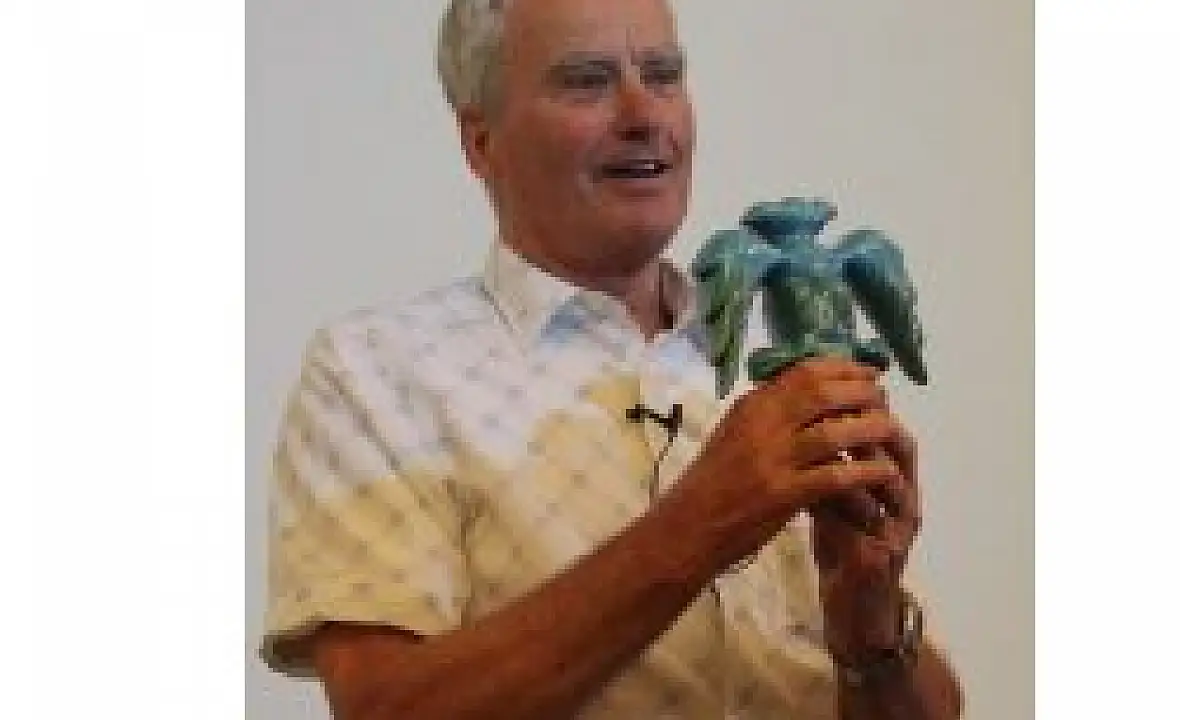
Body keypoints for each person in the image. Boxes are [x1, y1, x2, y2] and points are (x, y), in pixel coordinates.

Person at [259, 0, 965, 717]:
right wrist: (699, 524)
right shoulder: (376, 373)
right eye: (587, 81)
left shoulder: (772, 351)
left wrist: (871, 632)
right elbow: (383, 708)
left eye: (663, 74)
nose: (643, 114)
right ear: (480, 140)